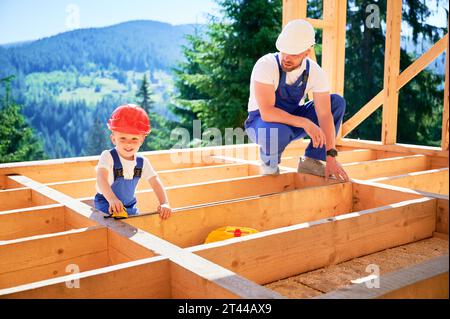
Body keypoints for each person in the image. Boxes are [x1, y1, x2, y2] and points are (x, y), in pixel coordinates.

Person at [244, 19, 349, 182]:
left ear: (307, 53)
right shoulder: (265, 65)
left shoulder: (315, 72)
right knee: (277, 132)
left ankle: (313, 161)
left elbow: (325, 115)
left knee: (336, 103)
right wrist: (305, 123)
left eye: (293, 54)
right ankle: (269, 166)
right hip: (262, 123)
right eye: (284, 51)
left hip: (292, 121)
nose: (286, 57)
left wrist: (331, 155)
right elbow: (267, 113)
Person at [94, 104, 172, 219]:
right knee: (115, 230)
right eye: (123, 138)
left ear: (142, 140)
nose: (128, 143)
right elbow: (101, 178)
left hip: (130, 207)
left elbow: (155, 182)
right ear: (113, 139)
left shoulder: (142, 162)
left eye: (134, 139)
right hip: (106, 205)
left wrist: (164, 203)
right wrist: (112, 199)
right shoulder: (108, 156)